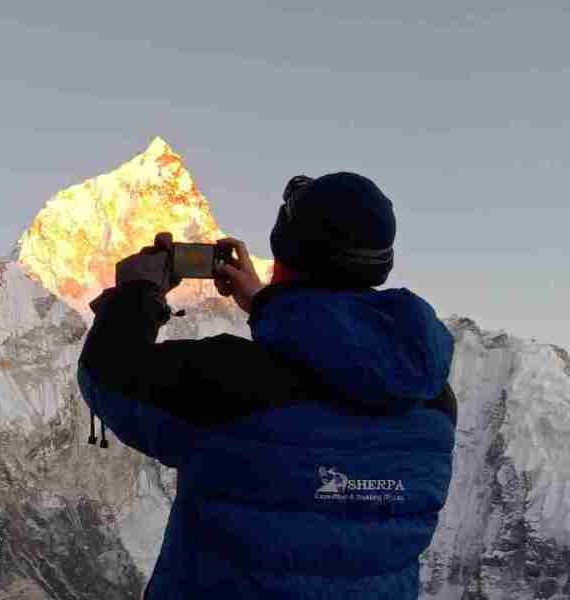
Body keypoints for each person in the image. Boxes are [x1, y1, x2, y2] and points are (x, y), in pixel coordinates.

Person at [78, 172, 456, 599]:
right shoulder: (432, 401)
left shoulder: (230, 384)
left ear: (283, 254)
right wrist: (265, 304)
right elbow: (340, 366)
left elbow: (107, 374)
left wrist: (138, 293)